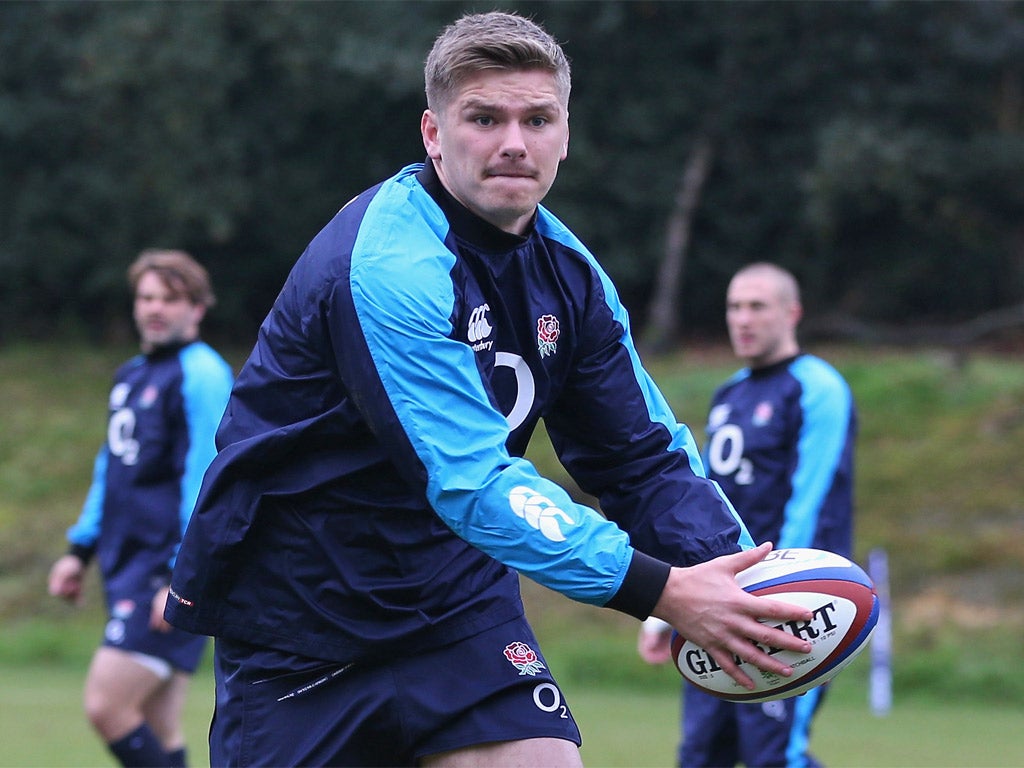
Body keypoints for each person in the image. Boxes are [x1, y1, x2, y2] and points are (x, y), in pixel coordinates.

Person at [165, 13, 816, 767]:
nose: (515, 141)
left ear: (565, 135)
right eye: (485, 118)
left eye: (537, 119)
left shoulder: (572, 280)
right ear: (433, 133)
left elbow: (642, 458)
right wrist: (661, 591)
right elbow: (470, 479)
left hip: (454, 603)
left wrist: (741, 587)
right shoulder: (385, 266)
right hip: (301, 612)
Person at [638, 262, 857, 767]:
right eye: (734, 307)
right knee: (700, 754)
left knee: (775, 755)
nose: (743, 319)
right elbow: (698, 505)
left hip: (789, 609)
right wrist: (662, 607)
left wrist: (781, 592)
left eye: (757, 306)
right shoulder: (730, 393)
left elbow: (813, 503)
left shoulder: (816, 387)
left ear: (792, 313)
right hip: (717, 606)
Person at [48, 249, 233, 768]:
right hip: (124, 564)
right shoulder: (130, 376)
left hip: (161, 572)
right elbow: (111, 468)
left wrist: (178, 575)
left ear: (197, 308)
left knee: (106, 705)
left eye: (171, 299)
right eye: (147, 297)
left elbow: (207, 477)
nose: (155, 309)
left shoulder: (202, 374)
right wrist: (77, 550)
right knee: (158, 726)